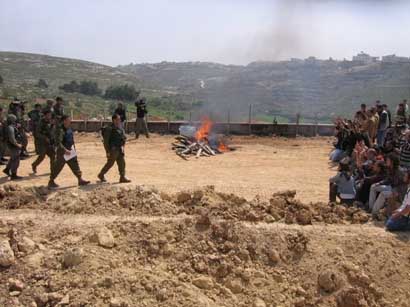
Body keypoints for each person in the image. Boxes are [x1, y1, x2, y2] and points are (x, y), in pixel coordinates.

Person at [48, 115, 90, 188]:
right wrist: (65, 150)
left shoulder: (69, 129)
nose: (70, 121)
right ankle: (51, 181)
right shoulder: (60, 130)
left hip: (70, 150)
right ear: (64, 121)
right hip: (62, 151)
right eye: (68, 120)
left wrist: (73, 149)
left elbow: (71, 140)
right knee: (58, 167)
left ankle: (80, 179)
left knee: (75, 165)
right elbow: (58, 142)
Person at [98, 114, 131, 183]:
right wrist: (107, 151)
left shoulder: (120, 128)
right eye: (118, 119)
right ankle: (101, 174)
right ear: (114, 120)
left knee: (122, 163)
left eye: (119, 119)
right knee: (110, 163)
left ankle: (122, 177)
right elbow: (106, 141)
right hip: (113, 149)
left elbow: (123, 137)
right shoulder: (109, 129)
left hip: (120, 148)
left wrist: (123, 145)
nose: (119, 120)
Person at [31, 109, 55, 174]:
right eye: (48, 115)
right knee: (42, 156)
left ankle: (53, 170)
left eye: (50, 115)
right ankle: (34, 165)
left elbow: (52, 132)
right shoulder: (41, 123)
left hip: (49, 142)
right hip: (42, 143)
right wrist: (44, 138)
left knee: (53, 155)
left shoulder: (51, 122)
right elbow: (37, 133)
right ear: (45, 115)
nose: (50, 116)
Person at [3, 115, 23, 180]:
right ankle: (14, 175)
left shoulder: (11, 127)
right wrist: (17, 144)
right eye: (14, 120)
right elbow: (12, 139)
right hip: (13, 146)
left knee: (13, 158)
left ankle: (7, 169)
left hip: (12, 145)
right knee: (16, 160)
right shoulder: (10, 128)